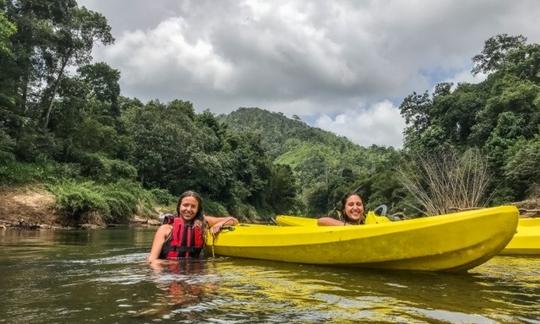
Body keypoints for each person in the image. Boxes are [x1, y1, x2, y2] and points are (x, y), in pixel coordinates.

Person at [147, 190, 238, 263]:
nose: (189, 209)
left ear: (198, 209)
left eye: (193, 206)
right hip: (169, 272)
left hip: (194, 272)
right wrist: (169, 264)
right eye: (185, 205)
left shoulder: (203, 222)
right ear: (179, 206)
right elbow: (152, 260)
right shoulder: (165, 229)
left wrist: (219, 224)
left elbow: (233, 220)